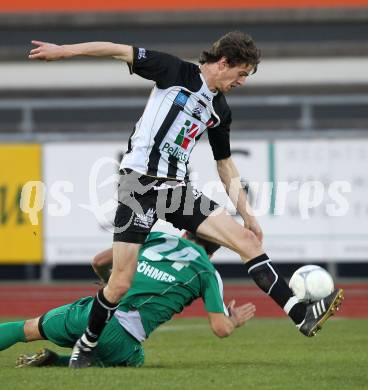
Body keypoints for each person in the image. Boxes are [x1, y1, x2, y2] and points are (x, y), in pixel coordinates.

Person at [28, 32, 343, 368]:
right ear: (224, 63)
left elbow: (224, 164)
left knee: (247, 242)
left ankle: (301, 315)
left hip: (176, 190)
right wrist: (65, 51)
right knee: (119, 282)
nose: (242, 82)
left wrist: (247, 214)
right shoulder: (174, 71)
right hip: (138, 186)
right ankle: (86, 348)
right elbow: (118, 50)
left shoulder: (219, 109)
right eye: (241, 74)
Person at [0, 231, 256, 368]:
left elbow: (98, 261)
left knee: (26, 328)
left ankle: (63, 356)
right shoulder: (207, 271)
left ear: (186, 232)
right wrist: (233, 321)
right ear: (214, 250)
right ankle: (57, 361)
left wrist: (110, 282)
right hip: (120, 340)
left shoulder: (156, 237)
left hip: (94, 314)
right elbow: (221, 328)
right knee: (133, 359)